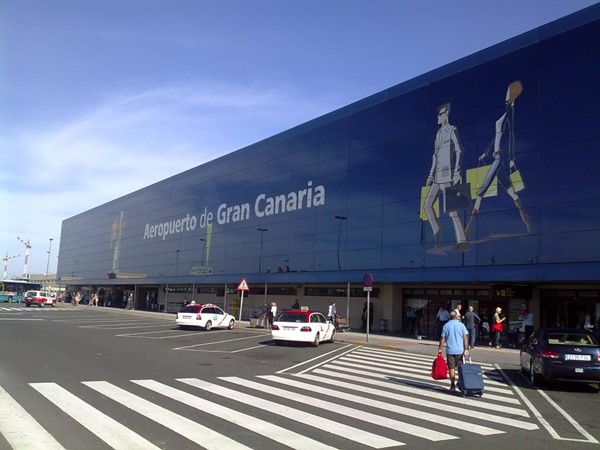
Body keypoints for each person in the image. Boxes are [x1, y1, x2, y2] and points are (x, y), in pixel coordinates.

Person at [465, 81, 531, 236]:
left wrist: (512, 158)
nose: (506, 95)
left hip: (499, 159)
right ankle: (526, 219)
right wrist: (485, 152)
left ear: (513, 95)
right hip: (496, 158)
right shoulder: (505, 113)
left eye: (509, 93)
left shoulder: (510, 113)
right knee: (512, 192)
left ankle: (467, 231)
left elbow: (511, 136)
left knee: (480, 192)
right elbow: (496, 137)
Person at [423, 103, 468, 251]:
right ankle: (437, 230)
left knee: (452, 210)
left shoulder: (452, 130)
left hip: (447, 176)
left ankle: (461, 241)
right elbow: (435, 156)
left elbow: (459, 150)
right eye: (438, 114)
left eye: (441, 114)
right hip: (436, 177)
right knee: (427, 205)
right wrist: (430, 175)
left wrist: (456, 172)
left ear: (446, 114)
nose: (438, 116)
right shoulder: (438, 134)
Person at [438, 311, 470, 392]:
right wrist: (466, 349)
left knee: (451, 368)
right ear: (457, 317)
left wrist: (440, 349)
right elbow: (465, 337)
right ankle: (460, 382)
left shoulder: (446, 326)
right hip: (460, 350)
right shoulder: (461, 325)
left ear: (450, 317)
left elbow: (442, 338)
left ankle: (452, 385)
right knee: (460, 367)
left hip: (450, 350)